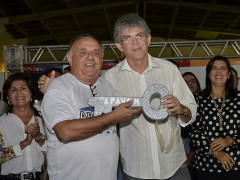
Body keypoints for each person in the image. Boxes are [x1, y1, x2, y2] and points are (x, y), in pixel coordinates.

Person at [103, 13, 197, 180]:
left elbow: (191, 110)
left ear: (148, 39)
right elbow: (98, 114)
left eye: (139, 35)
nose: (135, 42)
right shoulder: (110, 78)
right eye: (127, 38)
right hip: (136, 169)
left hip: (175, 166)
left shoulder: (169, 69)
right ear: (119, 45)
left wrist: (181, 108)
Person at [41, 34, 141, 180]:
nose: (90, 57)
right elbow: (65, 131)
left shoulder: (106, 86)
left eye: (96, 53)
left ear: (101, 58)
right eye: (83, 52)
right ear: (70, 58)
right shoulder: (58, 88)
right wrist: (112, 117)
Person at [190, 55, 240, 180]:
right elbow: (194, 133)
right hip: (205, 164)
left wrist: (229, 140)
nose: (218, 72)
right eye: (214, 68)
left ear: (229, 74)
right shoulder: (198, 99)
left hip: (236, 163)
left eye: (223, 68)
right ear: (209, 73)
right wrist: (216, 152)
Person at [0, 72, 47, 180]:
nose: (19, 93)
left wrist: (39, 137)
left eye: (23, 88)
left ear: (31, 92)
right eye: (13, 90)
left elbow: (54, 152)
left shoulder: (44, 120)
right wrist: (24, 143)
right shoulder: (2, 122)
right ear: (7, 97)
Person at [182, 72, 201, 180]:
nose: (189, 84)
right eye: (186, 82)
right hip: (183, 151)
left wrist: (194, 152)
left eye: (192, 81)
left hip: (203, 152)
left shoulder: (205, 102)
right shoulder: (177, 104)